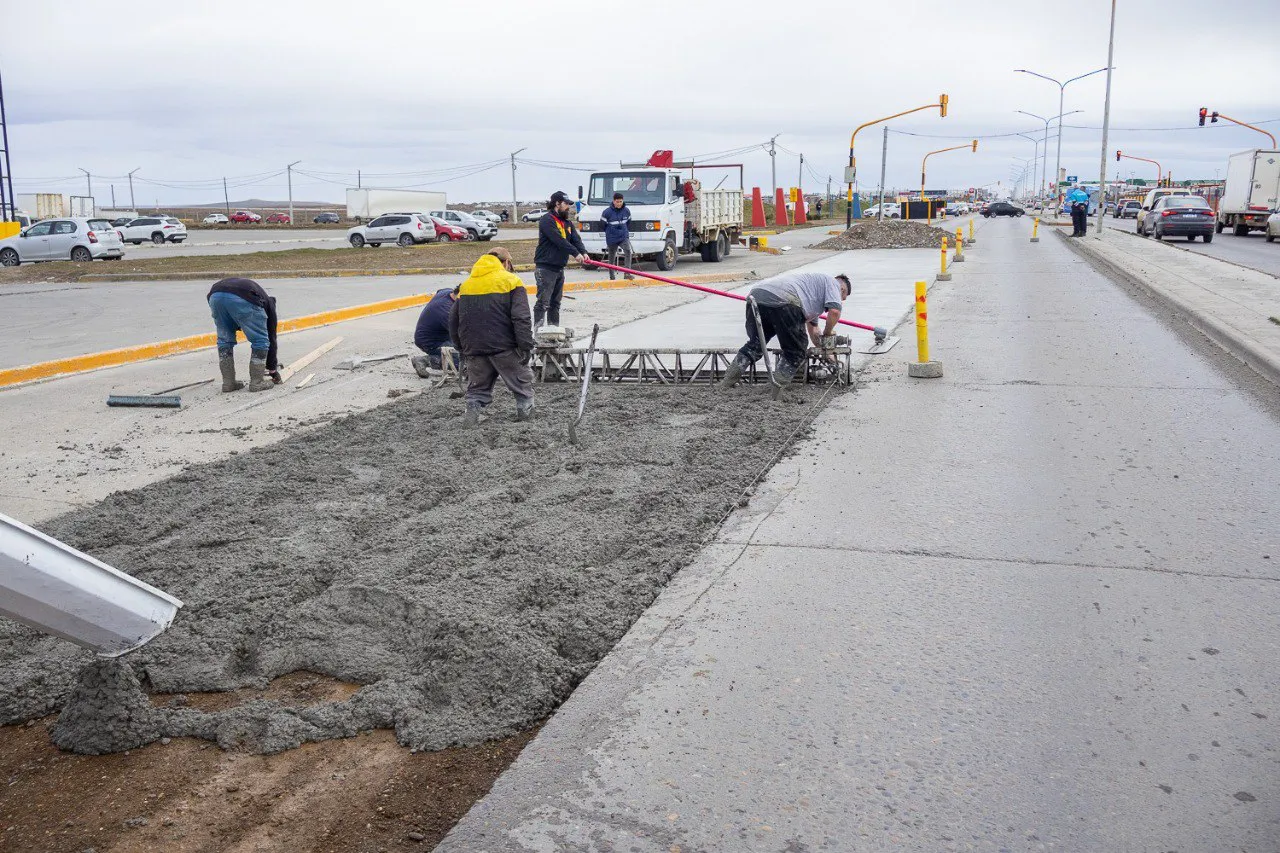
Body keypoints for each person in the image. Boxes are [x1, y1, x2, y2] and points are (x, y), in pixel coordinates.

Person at [719, 271, 851, 395]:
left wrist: (826, 352)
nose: (839, 300)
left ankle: (726, 383)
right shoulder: (833, 283)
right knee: (795, 351)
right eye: (842, 298)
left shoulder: (812, 295)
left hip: (757, 296)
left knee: (755, 344)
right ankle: (777, 390)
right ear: (842, 289)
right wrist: (828, 333)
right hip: (784, 299)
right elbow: (835, 312)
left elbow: (814, 331)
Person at [448, 247, 536, 426]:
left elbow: (453, 320)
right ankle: (525, 418)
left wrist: (461, 347)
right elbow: (521, 317)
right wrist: (525, 345)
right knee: (522, 385)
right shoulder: (512, 281)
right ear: (506, 263)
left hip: (474, 348)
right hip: (505, 348)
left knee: (476, 390)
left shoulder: (467, 285)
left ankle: (472, 416)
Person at [207, 277, 280, 393]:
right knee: (260, 340)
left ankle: (228, 383)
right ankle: (257, 383)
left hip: (215, 295)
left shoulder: (259, 295)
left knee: (224, 340)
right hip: (242, 297)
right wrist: (272, 370)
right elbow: (271, 338)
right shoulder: (269, 306)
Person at [533, 190, 587, 327]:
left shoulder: (567, 223)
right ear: (557, 204)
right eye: (566, 204)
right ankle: (538, 332)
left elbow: (575, 239)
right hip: (546, 267)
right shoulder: (547, 220)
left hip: (558, 268)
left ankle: (553, 331)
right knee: (543, 302)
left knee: (555, 303)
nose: (568, 207)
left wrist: (583, 252)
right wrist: (575, 253)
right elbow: (558, 240)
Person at [411, 285, 459, 376]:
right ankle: (424, 361)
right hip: (430, 341)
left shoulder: (447, 292)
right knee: (460, 362)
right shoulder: (447, 311)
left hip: (440, 336)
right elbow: (460, 334)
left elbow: (439, 290)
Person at [600, 192, 634, 281]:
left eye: (621, 201)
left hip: (623, 237)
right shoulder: (606, 212)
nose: (619, 203)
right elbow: (602, 225)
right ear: (613, 201)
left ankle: (627, 273)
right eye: (617, 201)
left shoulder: (627, 211)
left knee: (628, 252)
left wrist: (624, 231)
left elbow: (629, 223)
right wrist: (610, 232)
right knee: (611, 257)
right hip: (612, 238)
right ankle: (612, 277)